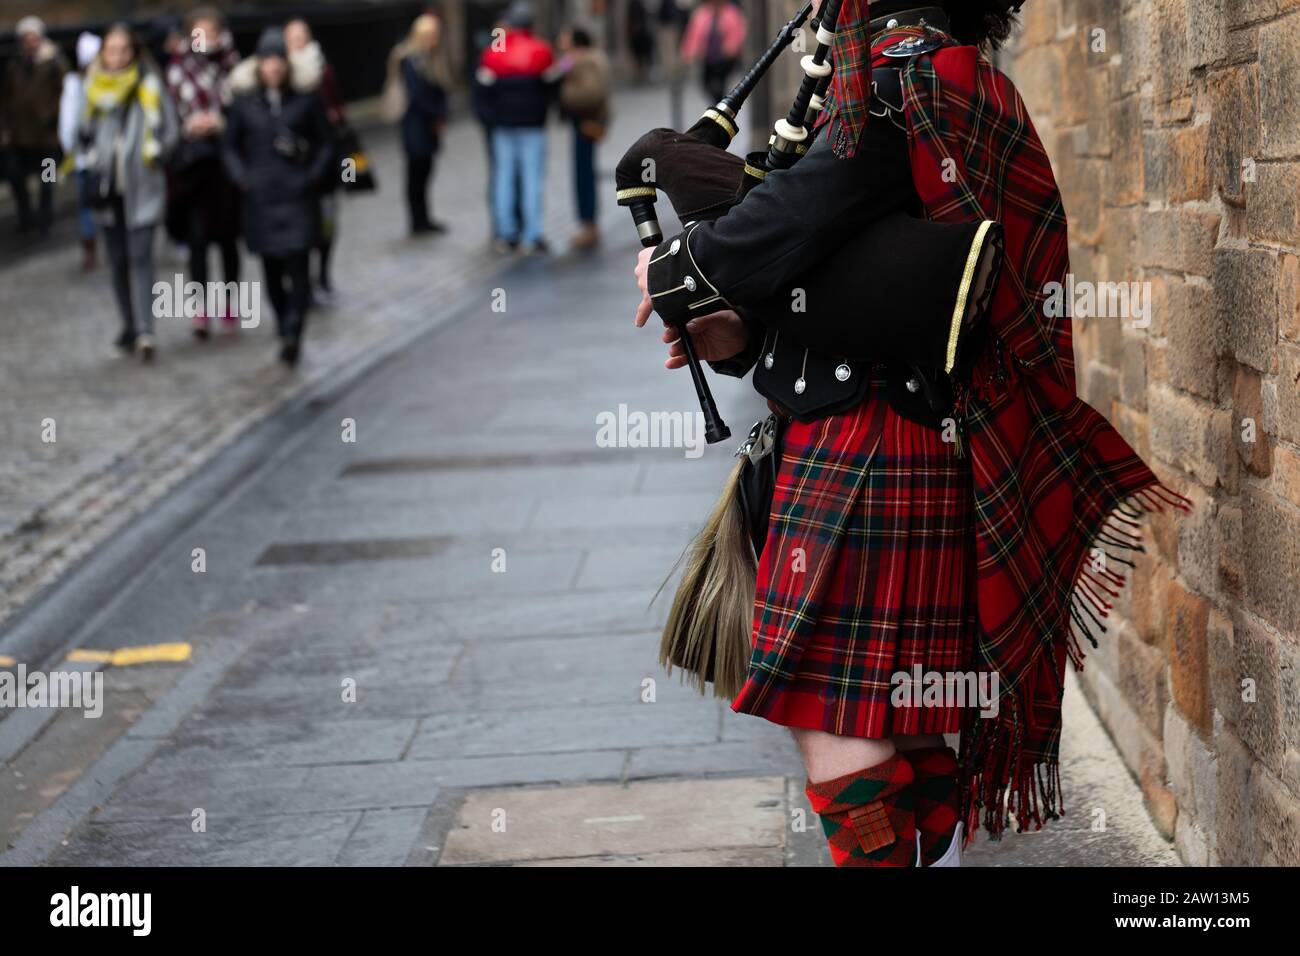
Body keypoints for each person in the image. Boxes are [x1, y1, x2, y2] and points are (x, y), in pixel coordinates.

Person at [634, 0, 1190, 866]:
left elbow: (792, 218)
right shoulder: (953, 74)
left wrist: (681, 270)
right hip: (900, 433)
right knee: (902, 717)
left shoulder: (906, 81)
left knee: (832, 719)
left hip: (869, 441)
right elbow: (855, 270)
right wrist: (736, 328)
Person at [223, 28, 333, 368]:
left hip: (297, 194)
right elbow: (229, 145)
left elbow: (327, 142)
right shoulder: (244, 104)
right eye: (267, 62)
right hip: (261, 197)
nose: (273, 68)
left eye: (278, 62)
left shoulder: (306, 100)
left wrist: (313, 175)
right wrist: (241, 177)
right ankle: (283, 319)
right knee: (271, 269)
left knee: (299, 266)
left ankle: (293, 332)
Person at [80, 23, 178, 362]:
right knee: (118, 260)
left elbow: (170, 130)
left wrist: (155, 154)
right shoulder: (93, 88)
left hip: (143, 187)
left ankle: (146, 330)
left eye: (124, 49)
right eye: (111, 49)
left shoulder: (149, 85)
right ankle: (129, 325)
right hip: (108, 190)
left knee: (141, 258)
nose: (118, 56)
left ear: (134, 52)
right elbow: (81, 132)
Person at [165, 6, 242, 340]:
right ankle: (200, 309)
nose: (204, 40)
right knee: (196, 240)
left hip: (225, 165)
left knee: (227, 240)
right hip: (194, 167)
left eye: (210, 32)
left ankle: (229, 302)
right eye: (198, 33)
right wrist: (189, 124)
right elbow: (168, 114)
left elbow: (241, 110)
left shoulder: (233, 67)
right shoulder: (177, 69)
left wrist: (221, 121)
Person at [477, 1, 557, 255]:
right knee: (532, 178)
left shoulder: (493, 53)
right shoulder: (541, 50)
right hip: (532, 124)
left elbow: (483, 90)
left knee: (504, 177)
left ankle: (506, 232)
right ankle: (532, 235)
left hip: (503, 125)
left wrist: (490, 118)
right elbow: (550, 86)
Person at [284, 18, 346, 299]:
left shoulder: (324, 70)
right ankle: (302, 278)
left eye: (302, 35)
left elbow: (338, 109)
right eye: (292, 36)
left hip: (324, 160)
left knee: (327, 220)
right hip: (294, 163)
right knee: (299, 223)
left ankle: (322, 272)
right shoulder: (279, 75)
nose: (298, 41)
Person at [1, 16, 67, 237]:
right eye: (26, 38)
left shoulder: (54, 64)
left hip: (46, 138)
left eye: (33, 37)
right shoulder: (15, 65)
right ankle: (25, 216)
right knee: (15, 177)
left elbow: (66, 94)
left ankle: (45, 219)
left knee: (47, 181)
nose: (30, 42)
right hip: (20, 138)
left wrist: (52, 117)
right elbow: (7, 97)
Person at [387, 14, 451, 236]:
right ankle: (417, 220)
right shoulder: (410, 59)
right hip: (415, 125)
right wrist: (437, 113)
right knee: (416, 172)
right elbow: (418, 95)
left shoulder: (433, 58)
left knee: (425, 171)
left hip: (428, 125)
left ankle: (423, 218)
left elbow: (440, 88)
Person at [557, 27, 611, 250]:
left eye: (565, 36)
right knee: (583, 171)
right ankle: (588, 223)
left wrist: (564, 94)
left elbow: (590, 94)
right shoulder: (577, 60)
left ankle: (589, 225)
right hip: (584, 122)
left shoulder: (586, 62)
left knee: (584, 173)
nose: (561, 40)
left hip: (585, 122)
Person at [58, 31, 101, 270]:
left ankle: (90, 249)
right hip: (98, 155)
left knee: (86, 205)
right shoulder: (79, 84)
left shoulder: (75, 85)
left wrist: (69, 151)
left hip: (86, 157)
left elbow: (67, 125)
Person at [679, 0, 746, 104]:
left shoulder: (731, 13)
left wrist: (731, 47)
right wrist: (689, 53)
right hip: (708, 59)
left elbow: (737, 33)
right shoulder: (701, 14)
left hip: (725, 60)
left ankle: (719, 104)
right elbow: (693, 36)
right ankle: (717, 103)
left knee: (721, 85)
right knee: (706, 84)